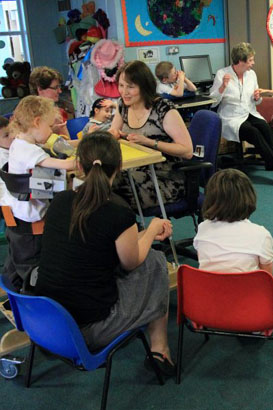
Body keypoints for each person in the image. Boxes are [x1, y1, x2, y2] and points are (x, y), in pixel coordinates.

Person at [35, 132, 176, 376]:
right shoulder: (118, 214)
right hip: (88, 330)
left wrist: (147, 234)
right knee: (154, 261)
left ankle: (159, 346)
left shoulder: (60, 201)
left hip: (47, 321)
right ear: (119, 167)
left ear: (79, 165)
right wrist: (152, 230)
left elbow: (107, 246)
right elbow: (131, 262)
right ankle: (159, 348)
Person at [3, 95, 75, 291]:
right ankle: (32, 299)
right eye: (50, 126)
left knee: (19, 261)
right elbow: (67, 164)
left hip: (16, 220)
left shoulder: (20, 143)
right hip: (32, 226)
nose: (51, 130)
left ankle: (16, 293)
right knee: (33, 270)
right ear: (37, 122)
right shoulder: (31, 152)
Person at [109, 60, 193, 210]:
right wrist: (113, 135)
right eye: (121, 86)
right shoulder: (123, 105)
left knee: (111, 195)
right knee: (100, 184)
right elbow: (113, 134)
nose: (124, 92)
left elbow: (187, 151)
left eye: (130, 87)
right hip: (134, 171)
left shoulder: (163, 109)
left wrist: (149, 142)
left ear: (144, 87)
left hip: (164, 180)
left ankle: (133, 231)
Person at [193, 168, 273, 274]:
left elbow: (204, 261)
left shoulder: (203, 227)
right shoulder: (261, 234)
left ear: (210, 199)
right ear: (249, 198)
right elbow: (268, 277)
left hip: (208, 289)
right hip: (247, 289)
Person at [210, 42, 273, 170]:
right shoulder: (222, 74)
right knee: (253, 132)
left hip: (250, 112)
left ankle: (270, 161)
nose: (253, 63)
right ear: (240, 61)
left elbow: (257, 101)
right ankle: (271, 161)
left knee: (265, 127)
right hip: (231, 118)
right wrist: (222, 87)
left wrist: (257, 98)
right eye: (250, 60)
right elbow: (213, 102)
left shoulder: (251, 75)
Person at [29, 66, 70, 138]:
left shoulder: (59, 112)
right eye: (55, 87)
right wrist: (51, 132)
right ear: (40, 89)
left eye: (59, 87)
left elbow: (67, 142)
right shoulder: (27, 115)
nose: (60, 91)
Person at [0, 116, 13, 205]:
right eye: (6, 135)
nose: (12, 136)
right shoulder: (2, 157)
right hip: (8, 203)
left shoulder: (11, 148)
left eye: (12, 131)